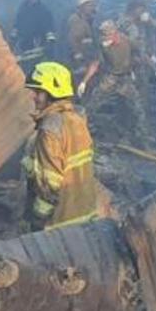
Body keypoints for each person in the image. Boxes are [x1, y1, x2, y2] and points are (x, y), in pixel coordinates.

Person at [21, 62, 98, 230]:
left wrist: (37, 220)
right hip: (85, 215)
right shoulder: (77, 119)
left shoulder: (50, 128)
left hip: (60, 224)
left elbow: (50, 183)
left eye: (38, 92)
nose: (33, 96)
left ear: (52, 93)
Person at [82, 20, 151, 143]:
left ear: (115, 33)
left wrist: (149, 68)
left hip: (125, 79)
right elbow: (96, 63)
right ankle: (81, 130)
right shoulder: (101, 44)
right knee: (92, 104)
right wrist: (84, 81)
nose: (104, 38)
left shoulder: (127, 41)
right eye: (102, 34)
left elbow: (140, 53)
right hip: (110, 78)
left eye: (106, 34)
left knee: (137, 108)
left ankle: (142, 137)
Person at [11, 0, 56, 69]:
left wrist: (49, 43)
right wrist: (13, 40)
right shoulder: (22, 9)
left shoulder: (44, 10)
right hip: (24, 47)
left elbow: (49, 29)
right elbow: (17, 25)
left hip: (39, 47)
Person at [66, 0, 99, 84]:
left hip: (89, 63)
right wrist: (80, 63)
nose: (93, 8)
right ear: (81, 6)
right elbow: (74, 42)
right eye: (90, 5)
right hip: (81, 67)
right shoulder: (76, 21)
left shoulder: (89, 20)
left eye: (93, 5)